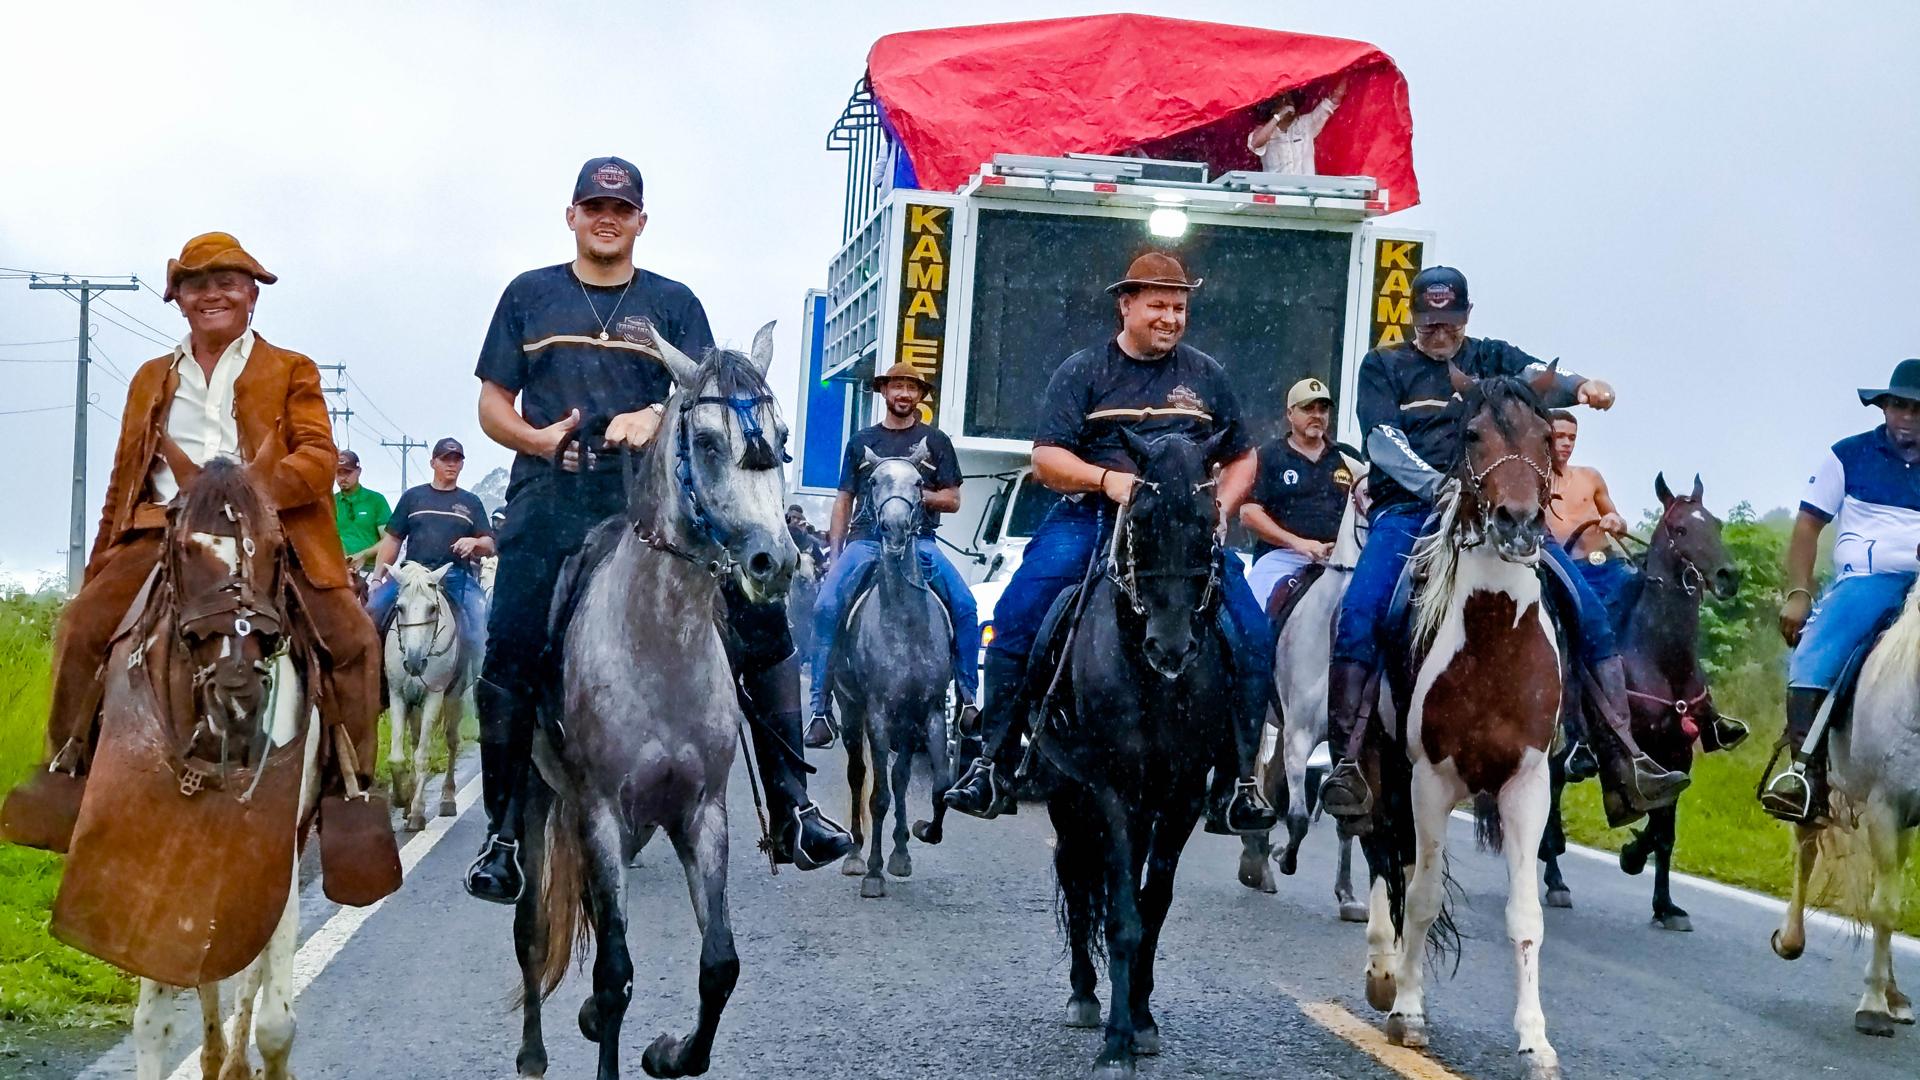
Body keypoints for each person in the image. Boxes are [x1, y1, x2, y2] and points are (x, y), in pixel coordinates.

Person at [466, 157, 853, 903]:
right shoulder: (528, 294)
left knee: (762, 619)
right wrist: (538, 440)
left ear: (641, 220)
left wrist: (653, 414)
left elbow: (704, 393)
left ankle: (793, 808)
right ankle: (504, 834)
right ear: (572, 215)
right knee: (509, 640)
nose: (606, 218)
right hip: (552, 494)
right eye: (594, 206)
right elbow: (492, 403)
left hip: (653, 505)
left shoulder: (674, 303)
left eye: (621, 208)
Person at [28, 232, 382, 832]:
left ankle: (350, 796)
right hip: (166, 531)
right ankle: (69, 776)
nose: (212, 294)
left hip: (267, 532)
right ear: (179, 300)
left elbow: (319, 459)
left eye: (227, 283)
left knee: (355, 641)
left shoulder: (292, 369)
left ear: (251, 296)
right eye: (197, 285)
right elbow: (123, 480)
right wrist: (100, 566)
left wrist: (250, 494)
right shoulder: (150, 378)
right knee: (81, 627)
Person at [1318, 265, 1689, 827]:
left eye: (1449, 319)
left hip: (1496, 512)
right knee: (1361, 609)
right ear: (1412, 317)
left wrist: (1582, 387)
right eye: (1428, 320)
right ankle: (1349, 762)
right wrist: (1439, 486)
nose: (1438, 330)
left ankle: (1623, 759)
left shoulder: (1492, 357)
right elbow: (1382, 441)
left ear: (1467, 315)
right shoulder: (1384, 365)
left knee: (1588, 609)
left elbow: (1540, 376)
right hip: (1411, 510)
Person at [942, 252, 1278, 836]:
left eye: (1179, 307)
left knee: (1252, 632)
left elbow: (1242, 455)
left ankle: (1240, 782)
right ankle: (992, 761)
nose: (1170, 318)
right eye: (1158, 305)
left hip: (1181, 532)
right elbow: (1046, 459)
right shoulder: (1083, 371)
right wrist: (1106, 480)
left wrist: (1219, 509)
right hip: (1091, 517)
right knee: (1018, 614)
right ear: (1126, 305)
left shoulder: (1206, 375)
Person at [1761, 359, 1920, 825]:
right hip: (1868, 579)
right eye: (1900, 405)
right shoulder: (1848, 455)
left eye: (1918, 409)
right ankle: (1805, 778)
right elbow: (1808, 526)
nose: (1908, 416)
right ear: (1884, 407)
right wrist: (1799, 591)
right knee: (1815, 652)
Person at [804, 365, 980, 747]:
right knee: (825, 607)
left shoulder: (936, 441)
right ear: (884, 392)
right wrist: (836, 557)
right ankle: (820, 711)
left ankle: (968, 701)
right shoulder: (861, 441)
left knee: (966, 606)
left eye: (911, 388)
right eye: (897, 386)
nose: (904, 394)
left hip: (920, 542)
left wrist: (910, 494)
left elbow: (952, 499)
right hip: (867, 541)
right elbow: (844, 500)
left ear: (920, 396)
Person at [365, 437, 494, 664]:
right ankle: (374, 676)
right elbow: (393, 539)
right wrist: (377, 578)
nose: (451, 464)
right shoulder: (413, 497)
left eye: (456, 459)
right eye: (445, 459)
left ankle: (477, 679)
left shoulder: (471, 502)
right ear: (433, 462)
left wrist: (474, 542)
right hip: (412, 575)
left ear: (462, 464)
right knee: (372, 611)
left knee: (481, 618)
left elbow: (489, 544)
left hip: (455, 576)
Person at [1241, 377, 1358, 608]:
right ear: (1290, 413)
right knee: (1255, 621)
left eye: (1323, 409)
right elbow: (1249, 513)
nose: (1317, 415)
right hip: (1281, 559)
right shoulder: (1269, 456)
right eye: (1308, 408)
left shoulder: (1347, 457)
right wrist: (1299, 544)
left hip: (1340, 560)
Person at [1544, 410, 1633, 621]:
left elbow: (1620, 527)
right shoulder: (1532, 486)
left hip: (1609, 566)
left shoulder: (1589, 476)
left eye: (1572, 438)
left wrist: (1616, 521)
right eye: (1560, 436)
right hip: (1565, 576)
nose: (1567, 443)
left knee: (1649, 595)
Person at [1246, 79, 1346, 176]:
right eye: (1282, 102)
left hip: (1304, 187)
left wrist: (1347, 74)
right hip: (1276, 187)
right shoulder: (1265, 130)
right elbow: (1256, 143)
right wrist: (1278, 117)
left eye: (1290, 101)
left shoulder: (1305, 124)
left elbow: (1333, 100)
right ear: (1273, 109)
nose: (1288, 105)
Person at [334, 449, 391, 573]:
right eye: (338, 473)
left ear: (358, 471)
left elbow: (388, 539)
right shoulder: (330, 503)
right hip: (338, 570)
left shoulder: (376, 500)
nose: (342, 477)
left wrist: (364, 555)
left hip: (370, 570)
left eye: (347, 472)